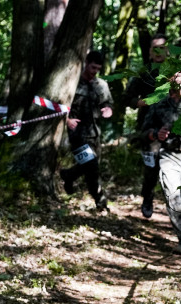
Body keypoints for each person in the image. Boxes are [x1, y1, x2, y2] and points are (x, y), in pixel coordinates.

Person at [142, 71, 181, 254]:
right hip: (169, 155)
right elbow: (144, 131)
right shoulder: (159, 102)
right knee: (172, 196)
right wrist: (155, 134)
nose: (176, 79)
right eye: (173, 76)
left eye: (180, 75)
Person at [60, 50, 113, 209]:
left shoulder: (101, 85)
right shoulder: (72, 83)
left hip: (95, 133)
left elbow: (108, 103)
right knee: (91, 166)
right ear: (86, 63)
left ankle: (68, 175)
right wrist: (67, 120)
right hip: (77, 133)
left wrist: (108, 110)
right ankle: (100, 201)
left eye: (98, 69)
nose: (95, 71)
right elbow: (59, 105)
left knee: (91, 168)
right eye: (92, 67)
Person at [123, 34, 168, 218]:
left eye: (162, 48)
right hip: (149, 129)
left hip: (173, 126)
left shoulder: (176, 71)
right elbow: (128, 98)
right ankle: (148, 198)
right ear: (149, 51)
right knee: (151, 168)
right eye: (154, 48)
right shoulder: (143, 73)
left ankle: (179, 205)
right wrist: (143, 102)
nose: (158, 52)